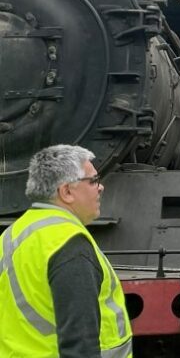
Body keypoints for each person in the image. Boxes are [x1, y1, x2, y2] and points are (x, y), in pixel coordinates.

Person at [0, 144, 133, 358]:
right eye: (93, 181)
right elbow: (80, 344)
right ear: (67, 191)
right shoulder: (69, 244)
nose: (101, 187)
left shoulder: (12, 235)